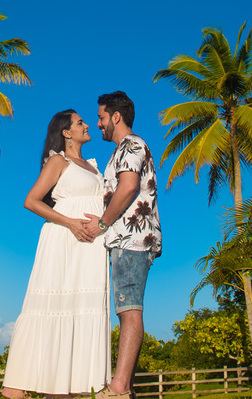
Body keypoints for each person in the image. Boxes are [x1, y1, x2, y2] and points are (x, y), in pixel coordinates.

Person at [0, 110, 112, 399]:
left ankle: (63, 391)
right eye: (80, 123)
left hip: (90, 249)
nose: (87, 125)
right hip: (64, 242)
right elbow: (31, 201)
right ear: (66, 133)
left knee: (80, 311)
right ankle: (15, 389)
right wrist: (71, 223)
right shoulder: (57, 161)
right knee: (51, 310)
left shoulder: (91, 166)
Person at [82, 90, 162, 399]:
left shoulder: (131, 144)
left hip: (132, 239)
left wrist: (102, 223)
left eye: (101, 117)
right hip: (127, 239)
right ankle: (120, 386)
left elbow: (128, 188)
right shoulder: (122, 150)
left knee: (129, 310)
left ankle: (119, 388)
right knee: (126, 309)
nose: (98, 123)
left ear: (116, 117)